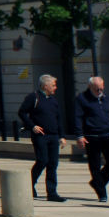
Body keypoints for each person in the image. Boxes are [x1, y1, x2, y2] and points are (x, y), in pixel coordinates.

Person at [18, 73, 67, 202]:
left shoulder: (53, 100)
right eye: (53, 85)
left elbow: (58, 119)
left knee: (53, 164)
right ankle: (30, 183)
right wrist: (32, 126)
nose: (55, 88)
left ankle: (52, 192)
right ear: (46, 86)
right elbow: (22, 112)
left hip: (53, 135)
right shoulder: (33, 97)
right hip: (40, 136)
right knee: (42, 160)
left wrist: (62, 136)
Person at [74, 76, 109, 201]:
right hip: (91, 136)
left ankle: (97, 183)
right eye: (96, 88)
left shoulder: (106, 98)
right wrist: (79, 135)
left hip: (107, 135)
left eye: (101, 87)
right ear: (90, 87)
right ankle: (102, 193)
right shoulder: (82, 99)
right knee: (95, 165)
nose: (99, 90)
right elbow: (78, 117)